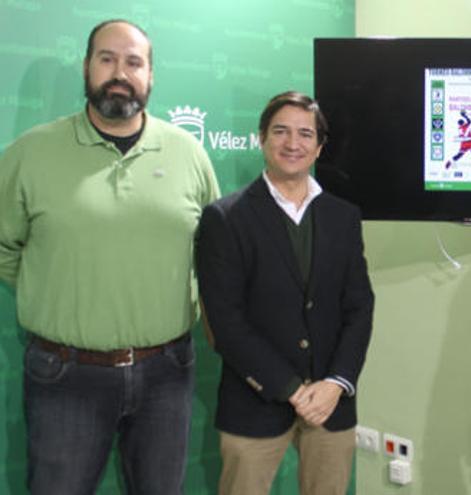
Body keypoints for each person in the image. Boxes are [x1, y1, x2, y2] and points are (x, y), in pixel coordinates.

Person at [0, 19, 219, 494]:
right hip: (65, 376)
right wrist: (55, 287)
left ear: (151, 76)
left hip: (168, 374)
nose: (120, 72)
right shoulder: (30, 153)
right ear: (86, 67)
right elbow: (4, 247)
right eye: (107, 59)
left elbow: (211, 251)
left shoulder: (189, 154)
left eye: (134, 62)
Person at [195, 91, 374, 495]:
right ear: (261, 138)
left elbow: (360, 306)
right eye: (281, 131)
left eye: (305, 134)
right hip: (255, 400)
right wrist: (291, 389)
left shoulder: (343, 216)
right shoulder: (225, 218)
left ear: (319, 146)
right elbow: (225, 322)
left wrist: (337, 382)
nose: (292, 143)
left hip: (332, 403)